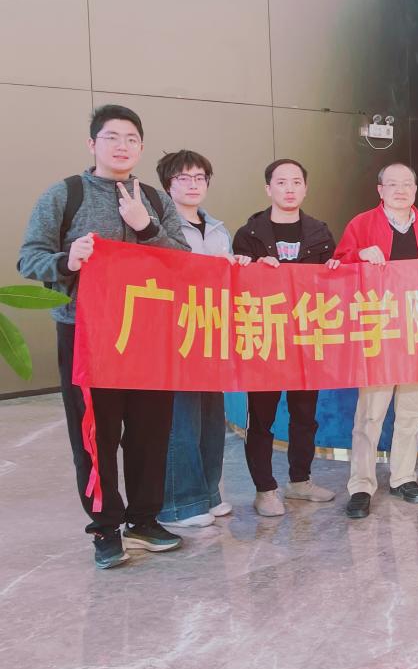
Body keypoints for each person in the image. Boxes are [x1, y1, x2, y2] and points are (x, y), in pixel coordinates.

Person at [18, 104, 191, 569]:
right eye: (111, 137)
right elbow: (29, 258)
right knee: (96, 435)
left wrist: (145, 226)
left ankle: (144, 521)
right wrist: (66, 261)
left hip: (149, 336)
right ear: (92, 144)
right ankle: (105, 526)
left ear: (141, 147)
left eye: (131, 139)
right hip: (87, 336)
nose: (121, 146)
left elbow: (183, 260)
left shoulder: (154, 199)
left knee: (150, 433)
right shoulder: (66, 194)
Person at [334, 163, 418, 519]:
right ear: (380, 190)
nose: (400, 190)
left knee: (412, 411)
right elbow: (337, 266)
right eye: (392, 184)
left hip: (416, 333)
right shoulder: (361, 224)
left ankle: (403, 477)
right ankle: (361, 485)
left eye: (407, 183)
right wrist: (358, 255)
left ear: (416, 189)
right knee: (370, 415)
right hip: (377, 332)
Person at [232, 159, 340, 517]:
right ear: (268, 189)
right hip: (264, 338)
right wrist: (251, 270)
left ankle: (300, 481)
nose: (289, 188)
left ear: (305, 188)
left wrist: (336, 270)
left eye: (296, 182)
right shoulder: (248, 234)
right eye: (281, 182)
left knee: (305, 415)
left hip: (307, 338)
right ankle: (265, 489)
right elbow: (237, 287)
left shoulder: (320, 233)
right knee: (261, 418)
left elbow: (329, 289)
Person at [154, 149, 251, 529]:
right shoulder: (159, 228)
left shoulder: (217, 228)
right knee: (182, 420)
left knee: (212, 418)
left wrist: (237, 265)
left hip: (211, 332)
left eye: (200, 178)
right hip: (175, 333)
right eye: (183, 178)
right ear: (168, 185)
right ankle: (180, 504)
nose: (193, 185)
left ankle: (209, 494)